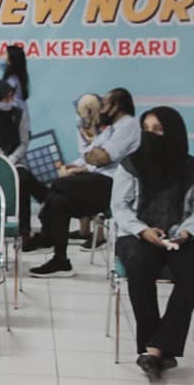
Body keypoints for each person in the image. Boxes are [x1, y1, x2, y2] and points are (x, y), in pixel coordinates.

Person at [113, 106, 194, 380]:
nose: (150, 135)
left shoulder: (193, 168)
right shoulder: (130, 165)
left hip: (179, 235)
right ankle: (155, 349)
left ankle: (155, 348)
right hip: (137, 235)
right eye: (146, 129)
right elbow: (119, 207)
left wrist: (186, 232)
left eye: (157, 129)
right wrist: (143, 230)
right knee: (140, 264)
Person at [28, 87, 140, 277]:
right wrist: (73, 166)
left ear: (117, 106)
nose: (101, 109)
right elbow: (89, 155)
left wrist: (90, 159)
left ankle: (46, 235)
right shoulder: (110, 130)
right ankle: (61, 260)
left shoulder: (129, 125)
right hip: (98, 180)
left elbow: (103, 157)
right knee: (58, 201)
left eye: (104, 104)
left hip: (115, 185)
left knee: (59, 184)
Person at [0, 79, 39, 238]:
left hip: (14, 160)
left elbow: (24, 142)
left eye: (11, 97)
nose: (9, 101)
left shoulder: (18, 114)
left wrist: (12, 158)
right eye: (5, 98)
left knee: (23, 179)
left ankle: (24, 230)